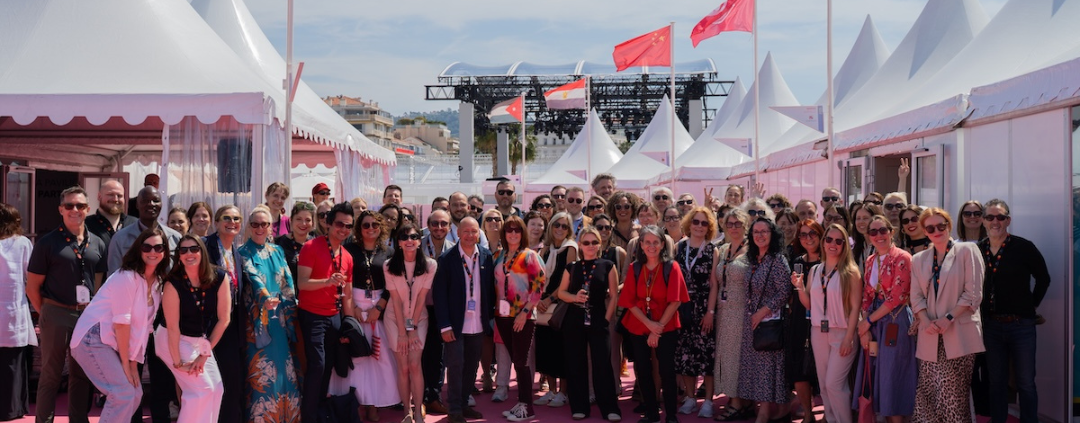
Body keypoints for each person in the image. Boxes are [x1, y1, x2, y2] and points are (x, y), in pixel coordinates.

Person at [27, 186, 107, 423]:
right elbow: (32, 287)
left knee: (81, 373)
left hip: (86, 315)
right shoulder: (47, 243)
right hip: (56, 311)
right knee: (51, 374)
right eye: (69, 205)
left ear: (88, 209)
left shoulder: (98, 242)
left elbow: (99, 284)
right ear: (61, 209)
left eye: (80, 205)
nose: (75, 210)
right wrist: (47, 313)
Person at [70, 228, 167, 422]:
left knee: (135, 394)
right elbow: (122, 324)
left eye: (158, 247)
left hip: (112, 342)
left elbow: (143, 331)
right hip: (92, 338)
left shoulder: (157, 283)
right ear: (139, 249)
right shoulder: (126, 276)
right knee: (122, 393)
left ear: (165, 252)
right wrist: (126, 363)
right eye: (147, 247)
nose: (153, 251)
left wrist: (133, 363)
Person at [909, 208, 985, 423]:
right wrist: (926, 322)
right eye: (930, 228)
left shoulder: (967, 250)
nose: (937, 231)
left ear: (949, 226)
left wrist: (948, 319)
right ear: (925, 231)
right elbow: (915, 296)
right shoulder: (919, 259)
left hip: (958, 332)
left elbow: (973, 294)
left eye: (941, 226)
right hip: (929, 334)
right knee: (926, 396)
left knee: (951, 396)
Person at [978, 199, 1050, 423]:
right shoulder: (978, 249)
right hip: (990, 326)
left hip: (1021, 325)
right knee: (996, 382)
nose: (995, 221)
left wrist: (1031, 306)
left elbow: (1043, 278)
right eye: (990, 217)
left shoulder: (1023, 247)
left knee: (1025, 382)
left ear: (1008, 220)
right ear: (983, 221)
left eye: (1000, 217)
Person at [618, 225, 689, 423]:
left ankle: (671, 415)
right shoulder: (634, 268)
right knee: (643, 370)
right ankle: (651, 413)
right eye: (647, 242)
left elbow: (675, 301)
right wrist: (649, 324)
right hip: (639, 324)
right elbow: (629, 302)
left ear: (662, 244)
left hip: (666, 325)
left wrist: (656, 329)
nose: (651, 246)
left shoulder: (671, 267)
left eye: (655, 242)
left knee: (667, 371)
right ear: (641, 245)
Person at [793, 223, 862, 423]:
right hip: (818, 331)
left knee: (834, 384)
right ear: (823, 242)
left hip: (842, 332)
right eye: (829, 239)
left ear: (844, 245)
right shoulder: (815, 270)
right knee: (823, 385)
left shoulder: (851, 272)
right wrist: (799, 288)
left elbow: (855, 308)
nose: (833, 244)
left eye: (839, 241)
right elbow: (809, 305)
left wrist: (849, 337)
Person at [157, 235, 230, 422]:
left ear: (202, 251)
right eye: (183, 250)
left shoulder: (220, 277)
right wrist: (178, 363)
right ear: (179, 256)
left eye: (194, 249)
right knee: (201, 391)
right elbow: (172, 328)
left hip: (199, 341)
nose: (189, 254)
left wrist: (204, 354)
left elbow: (224, 319)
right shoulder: (173, 283)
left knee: (216, 389)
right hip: (173, 340)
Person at [238, 206, 301, 422]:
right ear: (249, 226)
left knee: (284, 369)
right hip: (257, 322)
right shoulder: (242, 252)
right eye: (255, 224)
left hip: (280, 320)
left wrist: (291, 309)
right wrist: (265, 297)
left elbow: (287, 281)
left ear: (270, 227)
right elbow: (252, 275)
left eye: (263, 224)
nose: (259, 228)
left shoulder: (278, 251)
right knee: (262, 373)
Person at [852, 216, 916, 422]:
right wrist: (865, 327)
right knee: (875, 374)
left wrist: (867, 322)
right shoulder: (871, 260)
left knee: (892, 374)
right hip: (874, 321)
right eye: (873, 232)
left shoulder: (903, 257)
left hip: (895, 321)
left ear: (891, 232)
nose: (878, 235)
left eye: (882, 230)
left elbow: (896, 297)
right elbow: (867, 295)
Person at [337, 209, 400, 421]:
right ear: (359, 228)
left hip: (379, 308)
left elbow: (394, 284)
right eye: (366, 225)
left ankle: (374, 404)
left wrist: (379, 308)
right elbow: (343, 280)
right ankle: (355, 404)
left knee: (378, 357)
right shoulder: (348, 250)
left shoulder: (389, 252)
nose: (370, 228)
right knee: (356, 358)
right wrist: (352, 307)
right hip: (353, 304)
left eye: (375, 225)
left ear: (381, 228)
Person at [297, 202, 355, 423]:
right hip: (312, 315)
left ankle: (320, 412)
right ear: (329, 223)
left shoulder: (347, 256)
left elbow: (347, 295)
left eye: (348, 226)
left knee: (328, 366)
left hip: (335, 317)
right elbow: (302, 284)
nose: (343, 229)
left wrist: (349, 324)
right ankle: (309, 417)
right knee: (317, 365)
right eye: (339, 224)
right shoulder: (311, 247)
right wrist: (327, 281)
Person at [432, 217, 494, 423]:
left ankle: (465, 403)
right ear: (458, 233)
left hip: (478, 323)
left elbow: (489, 290)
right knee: (456, 366)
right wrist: (444, 325)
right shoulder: (447, 259)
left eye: (474, 231)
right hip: (455, 324)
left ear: (479, 234)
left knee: (472, 366)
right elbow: (440, 295)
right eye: (465, 231)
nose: (470, 235)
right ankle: (454, 409)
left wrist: (489, 318)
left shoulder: (485, 256)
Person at [557, 226, 622, 422]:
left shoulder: (608, 265)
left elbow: (614, 295)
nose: (590, 246)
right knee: (575, 364)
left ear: (600, 244)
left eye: (594, 242)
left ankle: (610, 408)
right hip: (574, 321)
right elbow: (561, 293)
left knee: (603, 364)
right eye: (586, 242)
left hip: (599, 319)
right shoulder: (572, 267)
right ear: (580, 245)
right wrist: (574, 297)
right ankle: (579, 407)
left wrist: (606, 320)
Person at [738, 217, 791, 423]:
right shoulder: (752, 259)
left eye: (764, 231)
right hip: (752, 323)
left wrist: (762, 312)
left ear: (772, 234)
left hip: (769, 322)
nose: (760, 235)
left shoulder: (777, 259)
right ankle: (765, 408)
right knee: (756, 369)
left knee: (767, 369)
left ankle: (765, 412)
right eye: (756, 232)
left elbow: (784, 291)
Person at [493, 216, 546, 421]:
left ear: (522, 233)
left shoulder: (529, 255)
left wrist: (525, 312)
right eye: (509, 230)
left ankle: (528, 407)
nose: (513, 233)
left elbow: (539, 286)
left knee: (522, 361)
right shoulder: (500, 255)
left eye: (517, 230)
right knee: (516, 360)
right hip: (502, 315)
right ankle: (521, 403)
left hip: (523, 315)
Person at [384, 224, 437, 423]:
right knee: (403, 367)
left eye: (414, 237)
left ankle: (418, 410)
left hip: (418, 319)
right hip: (394, 319)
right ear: (398, 242)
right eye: (405, 237)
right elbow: (396, 300)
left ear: (419, 241)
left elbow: (422, 297)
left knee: (415, 364)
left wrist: (412, 328)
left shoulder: (430, 265)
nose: (409, 241)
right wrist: (402, 332)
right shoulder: (388, 265)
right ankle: (406, 411)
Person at [673, 207, 720, 418]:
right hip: (682, 307)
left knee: (707, 356)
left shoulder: (712, 250)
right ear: (689, 223)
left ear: (709, 227)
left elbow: (714, 284)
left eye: (704, 223)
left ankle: (708, 401)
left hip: (703, 307)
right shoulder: (679, 247)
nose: (699, 226)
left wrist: (710, 312)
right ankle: (690, 398)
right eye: (696, 222)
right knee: (685, 354)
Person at [202, 205, 246, 423]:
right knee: (209, 382)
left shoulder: (237, 253)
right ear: (216, 222)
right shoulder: (204, 246)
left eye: (236, 219)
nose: (232, 222)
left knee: (231, 381)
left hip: (231, 324)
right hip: (207, 323)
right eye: (227, 218)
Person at [710, 208, 751, 421]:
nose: (734, 228)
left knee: (737, 358)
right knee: (726, 356)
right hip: (723, 312)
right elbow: (714, 283)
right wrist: (711, 311)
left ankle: (737, 403)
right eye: (730, 224)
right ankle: (736, 399)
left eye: (738, 223)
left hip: (742, 312)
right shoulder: (722, 249)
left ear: (746, 225)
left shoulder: (752, 250)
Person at [535, 212, 578, 408]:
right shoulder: (544, 249)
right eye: (556, 225)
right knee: (545, 348)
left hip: (562, 305)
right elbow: (537, 278)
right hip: (543, 305)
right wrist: (538, 299)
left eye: (564, 226)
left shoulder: (571, 248)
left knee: (562, 349)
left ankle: (563, 392)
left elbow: (567, 279)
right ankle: (551, 390)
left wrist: (550, 298)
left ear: (569, 230)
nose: (560, 229)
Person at [0, 204, 35, 421]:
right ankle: (12, 408)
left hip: (12, 310)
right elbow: (31, 276)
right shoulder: (22, 243)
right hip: (14, 312)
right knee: (13, 364)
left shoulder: (22, 243)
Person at [786, 219, 823, 423]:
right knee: (799, 368)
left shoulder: (829, 260)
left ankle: (828, 415)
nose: (808, 238)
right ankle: (808, 414)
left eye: (812, 233)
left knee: (823, 369)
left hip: (824, 320)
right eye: (803, 235)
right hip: (799, 320)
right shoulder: (797, 262)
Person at [420, 210, 456, 416]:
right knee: (418, 354)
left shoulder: (455, 249)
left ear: (449, 227)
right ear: (428, 225)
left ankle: (433, 397)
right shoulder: (417, 246)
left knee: (438, 356)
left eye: (443, 224)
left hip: (442, 310)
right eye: (435, 223)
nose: (439, 227)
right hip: (419, 308)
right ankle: (419, 398)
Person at [108, 186, 182, 274]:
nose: (151, 204)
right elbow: (114, 276)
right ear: (137, 205)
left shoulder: (175, 238)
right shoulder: (120, 239)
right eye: (145, 201)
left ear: (161, 204)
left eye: (156, 201)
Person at [85, 180, 137, 251]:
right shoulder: (86, 225)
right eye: (110, 194)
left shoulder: (135, 224)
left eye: (119, 196)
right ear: (99, 196)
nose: (115, 199)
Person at [276, 201, 317, 279]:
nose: (303, 223)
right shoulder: (278, 243)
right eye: (298, 219)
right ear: (291, 220)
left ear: (313, 223)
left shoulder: (317, 245)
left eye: (308, 220)